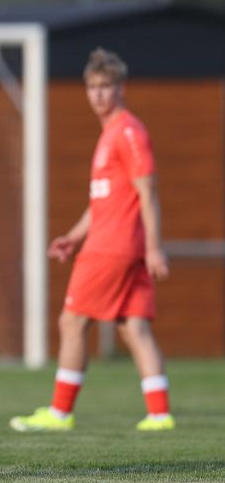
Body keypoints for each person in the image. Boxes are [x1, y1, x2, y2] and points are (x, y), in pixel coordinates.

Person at [10, 47, 173, 432]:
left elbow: (147, 192)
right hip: (113, 241)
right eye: (92, 86)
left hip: (114, 246)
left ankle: (60, 413)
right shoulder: (110, 134)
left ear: (121, 87)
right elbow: (102, 201)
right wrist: (72, 236)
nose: (98, 94)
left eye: (106, 86)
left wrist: (154, 246)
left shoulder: (128, 131)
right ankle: (160, 414)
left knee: (72, 321)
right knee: (134, 327)